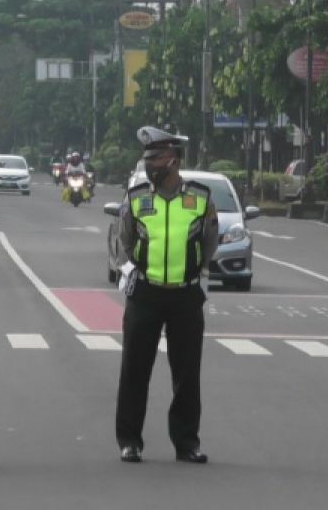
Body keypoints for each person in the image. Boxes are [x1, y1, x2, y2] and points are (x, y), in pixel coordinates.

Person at [114, 126, 218, 465]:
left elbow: (209, 242)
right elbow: (125, 241)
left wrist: (196, 273)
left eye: (155, 159)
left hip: (185, 296)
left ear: (172, 160)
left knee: (187, 373)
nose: (149, 166)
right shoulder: (138, 198)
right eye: (146, 159)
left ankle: (187, 443)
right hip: (145, 293)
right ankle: (130, 441)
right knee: (134, 370)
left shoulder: (200, 199)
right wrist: (136, 270)